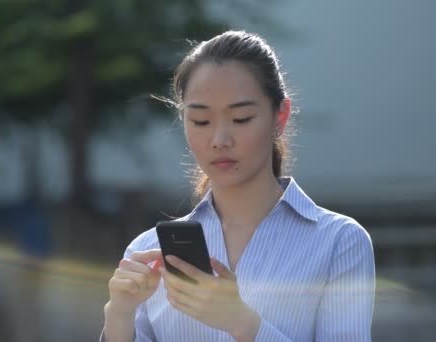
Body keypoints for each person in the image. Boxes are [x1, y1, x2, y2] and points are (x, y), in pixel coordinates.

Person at [101, 30, 375, 341]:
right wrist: (118, 316)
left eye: (241, 118)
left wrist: (243, 323)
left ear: (280, 116)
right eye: (201, 121)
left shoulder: (338, 242)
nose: (219, 140)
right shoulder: (147, 252)